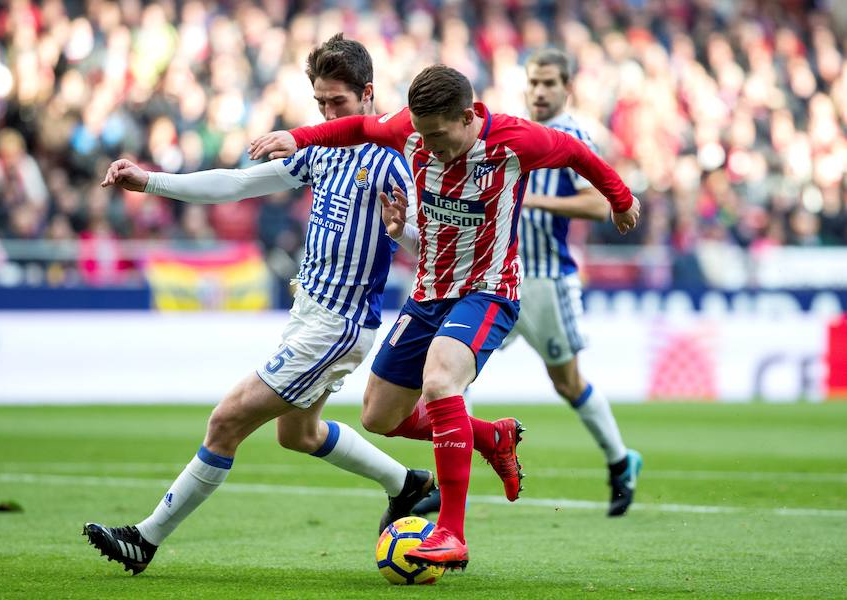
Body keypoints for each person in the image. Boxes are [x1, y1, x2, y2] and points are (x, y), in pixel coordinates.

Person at [250, 64, 640, 570]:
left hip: (488, 290)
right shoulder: (411, 129)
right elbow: (358, 128)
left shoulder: (515, 140)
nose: (429, 146)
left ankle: (451, 532)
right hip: (429, 293)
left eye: (439, 135)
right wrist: (297, 137)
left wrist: (622, 199)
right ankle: (489, 436)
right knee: (379, 416)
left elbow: (581, 155)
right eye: (422, 134)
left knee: (440, 382)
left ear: (466, 116)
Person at [82, 34, 439, 576]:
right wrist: (150, 181)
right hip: (309, 315)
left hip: (337, 324)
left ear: (368, 95)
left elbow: (433, 244)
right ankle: (408, 484)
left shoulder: (392, 160)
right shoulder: (319, 152)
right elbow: (238, 184)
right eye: (319, 102)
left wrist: (403, 230)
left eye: (337, 103)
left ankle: (145, 538)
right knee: (297, 433)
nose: (326, 112)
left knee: (226, 420)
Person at [411, 49, 644, 520]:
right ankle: (455, 481)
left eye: (550, 84)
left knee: (567, 381)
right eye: (534, 82)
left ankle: (621, 460)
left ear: (567, 89)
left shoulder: (569, 137)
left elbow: (600, 206)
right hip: (490, 279)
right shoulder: (499, 134)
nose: (540, 91)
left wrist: (530, 198)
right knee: (450, 375)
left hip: (546, 281)